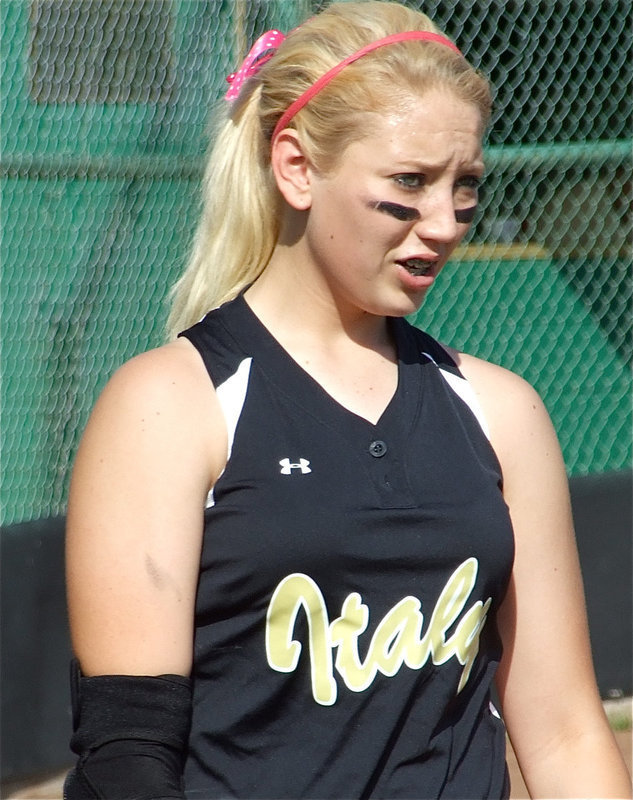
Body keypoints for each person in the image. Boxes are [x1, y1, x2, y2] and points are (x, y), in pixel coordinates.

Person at [64, 2, 632, 798]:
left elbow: (564, 732)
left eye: (465, 184)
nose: (444, 222)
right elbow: (127, 755)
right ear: (297, 167)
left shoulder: (501, 413)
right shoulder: (170, 404)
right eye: (409, 182)